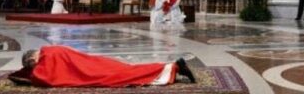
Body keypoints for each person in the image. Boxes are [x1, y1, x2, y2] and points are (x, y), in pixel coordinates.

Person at [19, 45, 195, 87]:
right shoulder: (49, 49)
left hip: (90, 71)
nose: (35, 66)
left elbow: (44, 78)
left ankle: (171, 67)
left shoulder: (46, 56)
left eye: (32, 64)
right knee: (128, 70)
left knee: (128, 75)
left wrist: (26, 76)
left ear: (33, 59)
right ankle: (171, 66)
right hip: (94, 62)